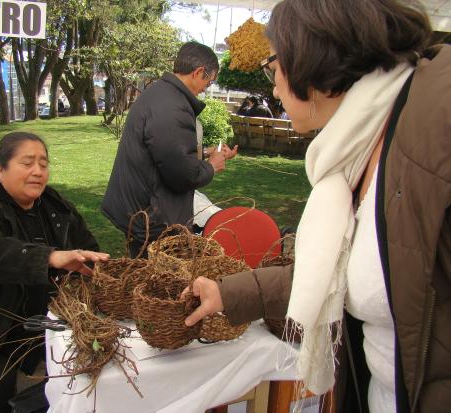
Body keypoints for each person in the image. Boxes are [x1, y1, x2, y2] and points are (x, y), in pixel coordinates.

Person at [184, 1, 450, 412]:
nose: (272, 86)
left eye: (274, 67)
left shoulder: (436, 121)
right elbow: (333, 270)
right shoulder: (358, 145)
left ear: (315, 58)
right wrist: (226, 293)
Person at [0, 132, 110, 412]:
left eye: (43, 164)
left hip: (49, 317)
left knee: (99, 362)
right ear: (0, 169)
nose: (38, 172)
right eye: (27, 163)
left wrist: (96, 268)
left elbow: (86, 247)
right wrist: (50, 257)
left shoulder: (53, 206)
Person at [101, 42, 238, 257]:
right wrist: (211, 167)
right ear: (199, 72)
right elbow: (181, 174)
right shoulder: (173, 106)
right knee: (156, 281)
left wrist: (203, 153)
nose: (206, 89)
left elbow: (162, 150)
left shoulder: (160, 93)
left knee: (143, 275)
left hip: (138, 208)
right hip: (149, 216)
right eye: (209, 81)